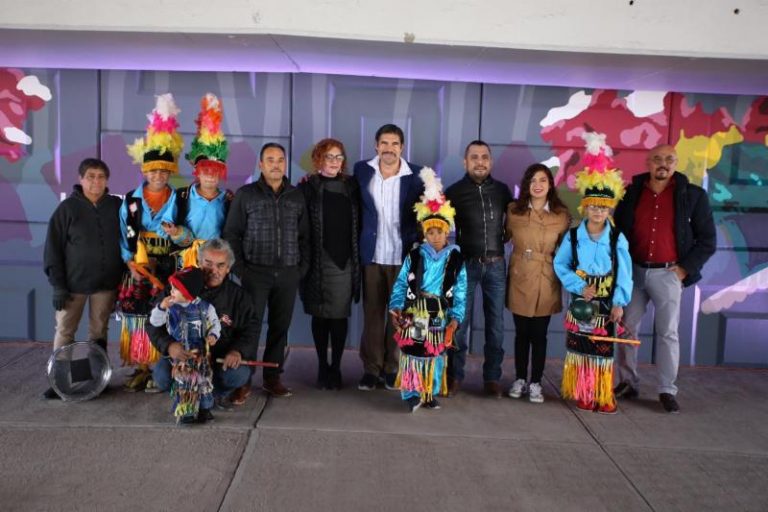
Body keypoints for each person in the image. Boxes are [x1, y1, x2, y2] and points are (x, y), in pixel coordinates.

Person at [613, 144, 716, 413]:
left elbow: (707, 240)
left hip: (668, 273)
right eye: (657, 159)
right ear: (648, 162)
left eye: (669, 159)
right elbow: (618, 231)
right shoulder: (630, 193)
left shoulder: (693, 196)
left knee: (668, 333)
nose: (663, 163)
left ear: (676, 162)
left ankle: (667, 390)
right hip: (633, 272)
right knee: (626, 329)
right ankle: (628, 382)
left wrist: (684, 269)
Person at [554, 132, 633, 414]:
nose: (598, 211)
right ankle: (584, 392)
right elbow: (560, 265)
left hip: (606, 301)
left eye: (603, 206)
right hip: (580, 301)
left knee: (602, 350)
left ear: (610, 208)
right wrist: (577, 284)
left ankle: (603, 393)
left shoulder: (617, 238)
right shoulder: (574, 237)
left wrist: (619, 303)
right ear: (585, 207)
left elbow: (625, 272)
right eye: (593, 206)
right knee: (581, 348)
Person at [223, 143, 310, 397]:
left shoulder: (296, 196)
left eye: (280, 159)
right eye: (270, 159)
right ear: (260, 165)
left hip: (287, 274)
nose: (276, 164)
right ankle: (243, 379)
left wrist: (300, 269)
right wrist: (241, 270)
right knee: (250, 327)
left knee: (279, 327)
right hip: (255, 274)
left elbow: (305, 237)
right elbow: (232, 234)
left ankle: (273, 378)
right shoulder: (246, 194)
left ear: (285, 164)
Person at [41, 158, 124, 399]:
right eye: (90, 176)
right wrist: (58, 285)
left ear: (107, 180)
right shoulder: (67, 209)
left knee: (98, 331)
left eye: (100, 176)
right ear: (81, 179)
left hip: (105, 284)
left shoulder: (115, 206)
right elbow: (52, 250)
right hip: (72, 285)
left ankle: (97, 379)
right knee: (66, 331)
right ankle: (60, 382)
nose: (96, 181)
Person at [118, 93, 183, 392]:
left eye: (162, 169)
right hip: (139, 268)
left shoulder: (180, 200)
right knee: (138, 316)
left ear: (169, 172)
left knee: (165, 314)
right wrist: (130, 261)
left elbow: (186, 234)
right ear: (143, 171)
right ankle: (141, 366)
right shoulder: (130, 200)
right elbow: (124, 233)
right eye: (152, 169)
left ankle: (160, 368)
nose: (157, 174)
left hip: (169, 267)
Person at [389, 167, 467, 412]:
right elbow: (402, 282)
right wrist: (396, 305)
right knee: (414, 351)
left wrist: (456, 319)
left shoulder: (455, 259)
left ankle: (429, 392)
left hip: (439, 314)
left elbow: (461, 291)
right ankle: (411, 393)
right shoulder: (415, 255)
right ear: (424, 233)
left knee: (435, 354)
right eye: (430, 232)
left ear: (448, 232)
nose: (435, 236)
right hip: (416, 311)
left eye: (440, 232)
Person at [148, 239, 260, 408]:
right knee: (162, 377)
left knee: (237, 375)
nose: (213, 270)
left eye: (220, 265)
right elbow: (153, 323)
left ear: (228, 268)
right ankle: (186, 393)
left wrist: (238, 351)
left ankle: (212, 395)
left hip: (221, 359)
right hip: (186, 358)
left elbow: (251, 330)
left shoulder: (240, 297)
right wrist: (169, 346)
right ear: (199, 262)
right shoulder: (176, 289)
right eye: (208, 263)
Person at [354, 124, 424, 391]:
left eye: (394, 144)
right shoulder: (363, 171)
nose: (389, 149)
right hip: (372, 256)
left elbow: (430, 209)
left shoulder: (417, 175)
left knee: (401, 317)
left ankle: (391, 368)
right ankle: (371, 369)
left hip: (403, 257)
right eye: (384, 143)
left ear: (402, 147)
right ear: (376, 145)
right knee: (372, 316)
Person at [444, 140, 513, 397]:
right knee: (458, 325)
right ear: (466, 162)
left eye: (484, 157)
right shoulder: (453, 192)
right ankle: (454, 376)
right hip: (465, 266)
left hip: (496, 266)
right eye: (474, 157)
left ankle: (492, 378)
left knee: (495, 326)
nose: (480, 161)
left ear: (491, 161)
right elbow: (436, 222)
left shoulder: (503, 191)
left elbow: (516, 221)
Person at [299, 138, 361, 389]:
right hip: (317, 261)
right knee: (320, 316)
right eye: (329, 157)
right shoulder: (307, 187)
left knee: (339, 317)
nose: (334, 162)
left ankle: (336, 367)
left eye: (338, 157)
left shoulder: (352, 186)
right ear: (318, 159)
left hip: (344, 261)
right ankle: (322, 367)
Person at [505, 163, 570, 403]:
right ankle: (520, 378)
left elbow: (569, 249)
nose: (538, 185)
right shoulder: (514, 211)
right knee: (521, 333)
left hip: (547, 277)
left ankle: (536, 383)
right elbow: (501, 236)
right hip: (521, 275)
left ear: (550, 184)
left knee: (539, 334)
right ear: (526, 185)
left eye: (543, 180)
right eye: (533, 180)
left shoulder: (561, 215)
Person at [162, 93, 233, 268]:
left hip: (216, 261)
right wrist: (172, 230)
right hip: (187, 258)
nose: (210, 176)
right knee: (185, 294)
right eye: (205, 171)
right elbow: (167, 224)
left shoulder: (228, 199)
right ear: (197, 173)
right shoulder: (182, 196)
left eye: (215, 172)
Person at [149, 267, 221, 424]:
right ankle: (186, 411)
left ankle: (205, 409)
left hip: (200, 353)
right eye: (172, 287)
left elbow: (215, 323)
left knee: (203, 380)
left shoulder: (205, 307)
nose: (171, 291)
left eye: (176, 288)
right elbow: (154, 322)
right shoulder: (170, 307)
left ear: (188, 292)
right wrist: (161, 308)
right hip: (181, 352)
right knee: (184, 381)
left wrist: (213, 334)